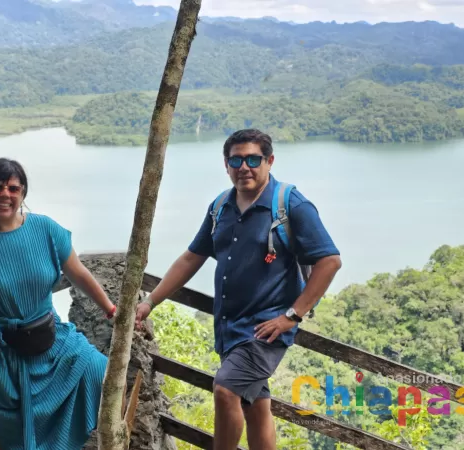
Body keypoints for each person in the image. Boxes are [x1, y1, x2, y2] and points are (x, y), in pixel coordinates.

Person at [135, 129, 342, 450]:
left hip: (266, 330)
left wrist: (292, 315)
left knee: (226, 390)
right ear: (226, 164)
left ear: (269, 161)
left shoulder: (291, 206)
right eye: (236, 159)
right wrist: (149, 302)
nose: (244, 166)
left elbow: (329, 261)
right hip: (229, 326)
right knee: (255, 404)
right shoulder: (221, 207)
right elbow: (192, 258)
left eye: (253, 159)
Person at [0, 157, 115, 450]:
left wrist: (110, 308)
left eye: (13, 188)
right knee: (15, 437)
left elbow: (78, 274)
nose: (5, 195)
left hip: (48, 340)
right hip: (0, 355)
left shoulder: (45, 230)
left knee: (99, 370)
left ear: (23, 193)